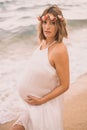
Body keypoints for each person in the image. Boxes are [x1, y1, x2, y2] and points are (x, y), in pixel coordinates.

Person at [10, 4, 70, 130]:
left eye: (52, 23)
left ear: (59, 26)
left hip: (44, 106)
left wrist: (41, 101)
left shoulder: (59, 50)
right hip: (30, 106)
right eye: (45, 22)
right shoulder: (42, 43)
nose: (47, 27)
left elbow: (65, 85)